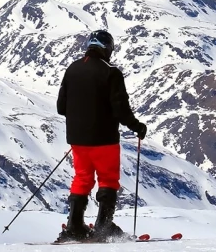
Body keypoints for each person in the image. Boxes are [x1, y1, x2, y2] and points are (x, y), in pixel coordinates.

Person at [55, 30, 148, 242]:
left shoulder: (72, 69)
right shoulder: (111, 72)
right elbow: (120, 110)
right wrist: (137, 126)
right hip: (104, 139)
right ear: (107, 49)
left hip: (77, 139)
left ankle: (75, 226)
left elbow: (61, 107)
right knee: (107, 180)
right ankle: (103, 227)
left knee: (82, 178)